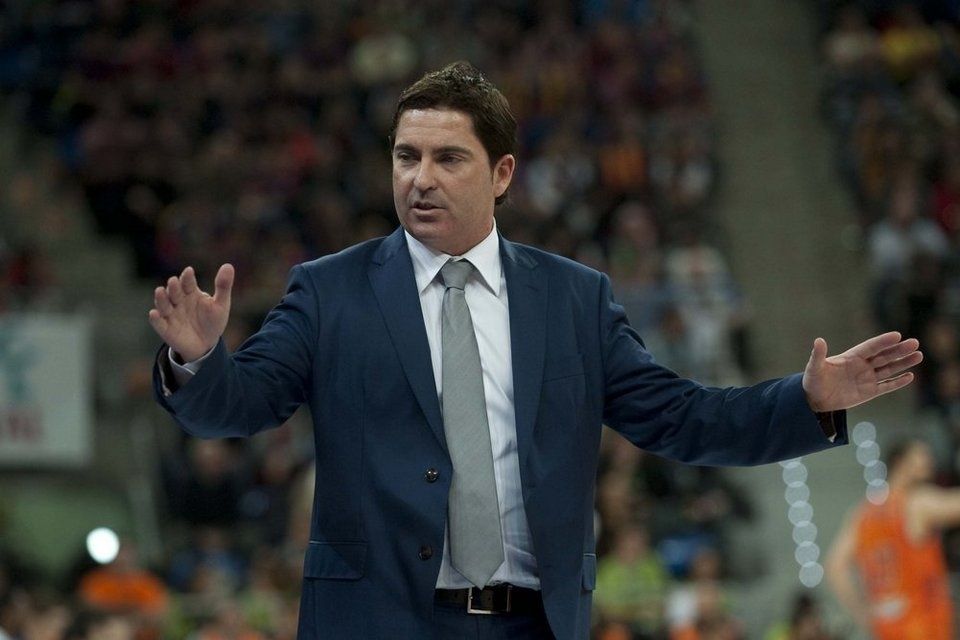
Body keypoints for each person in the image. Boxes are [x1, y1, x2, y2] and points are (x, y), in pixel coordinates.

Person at [150, 61, 922, 640]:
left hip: (534, 623)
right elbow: (237, 407)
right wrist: (198, 362)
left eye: (448, 158)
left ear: (502, 173)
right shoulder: (330, 292)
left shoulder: (574, 300)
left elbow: (682, 419)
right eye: (406, 156)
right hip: (377, 620)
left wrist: (807, 402)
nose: (420, 179)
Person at [825, 439, 954, 640]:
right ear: (900, 461)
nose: (930, 460)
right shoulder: (916, 502)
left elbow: (834, 567)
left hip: (887, 626)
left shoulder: (862, 514)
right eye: (922, 454)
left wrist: (863, 614)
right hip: (923, 624)